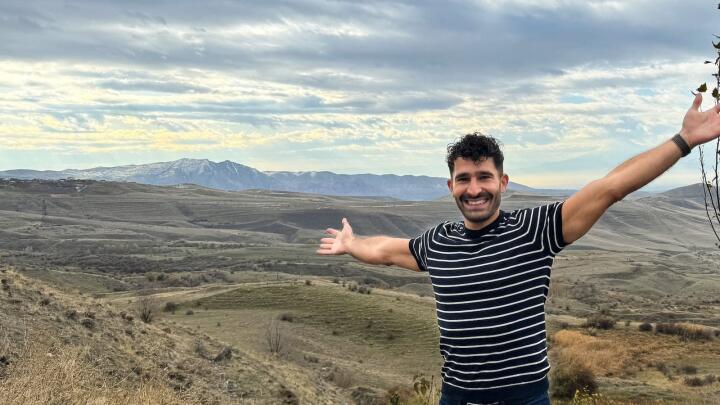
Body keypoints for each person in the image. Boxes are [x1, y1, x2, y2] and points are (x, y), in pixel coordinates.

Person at [316, 93, 720, 405]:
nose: (474, 189)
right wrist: (352, 245)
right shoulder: (438, 242)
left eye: (484, 177)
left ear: (503, 181)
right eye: (463, 179)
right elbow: (389, 250)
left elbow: (610, 187)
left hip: (524, 396)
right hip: (457, 396)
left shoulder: (535, 230)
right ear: (450, 186)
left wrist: (684, 140)